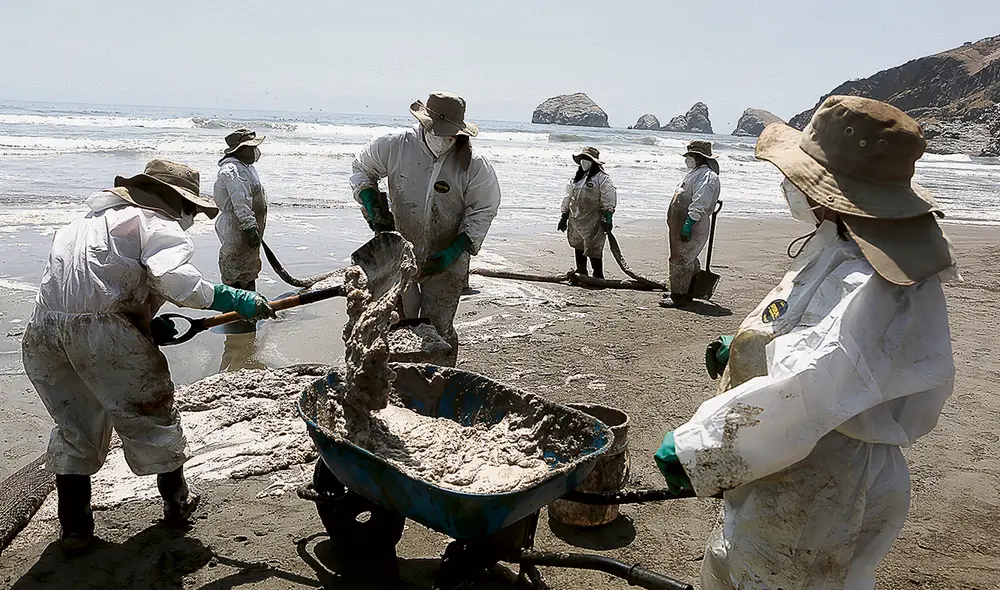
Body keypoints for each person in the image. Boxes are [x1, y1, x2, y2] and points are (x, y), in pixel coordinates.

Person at [653, 97, 959, 588]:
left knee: (781, 577)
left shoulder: (873, 277)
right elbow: (815, 334)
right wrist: (746, 347)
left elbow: (811, 389)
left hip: (821, 476)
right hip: (800, 459)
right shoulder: (843, 241)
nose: (792, 185)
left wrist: (701, 447)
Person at [21, 160, 275, 552]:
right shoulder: (156, 222)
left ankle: (74, 530)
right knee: (153, 415)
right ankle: (177, 503)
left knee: (75, 426)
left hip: (44, 334)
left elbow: (87, 291)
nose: (190, 218)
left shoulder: (81, 223)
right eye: (190, 209)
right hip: (106, 336)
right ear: (176, 203)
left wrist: (142, 324)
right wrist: (232, 297)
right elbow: (173, 279)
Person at [350, 92, 501, 366]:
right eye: (439, 131)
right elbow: (362, 168)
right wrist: (370, 200)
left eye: (451, 134)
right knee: (399, 323)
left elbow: (483, 209)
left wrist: (455, 250)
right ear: (424, 124)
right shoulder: (394, 146)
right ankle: (400, 379)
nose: (445, 138)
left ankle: (440, 378)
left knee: (439, 325)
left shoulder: (474, 165)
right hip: (398, 253)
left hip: (447, 257)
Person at [660, 140, 721, 308]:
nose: (688, 158)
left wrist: (689, 223)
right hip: (681, 222)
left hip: (693, 223)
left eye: (692, 156)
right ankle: (687, 290)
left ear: (701, 157)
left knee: (681, 258)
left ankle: (679, 297)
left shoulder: (707, 176)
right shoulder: (694, 173)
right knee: (688, 258)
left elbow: (701, 202)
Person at [214, 129, 268, 292]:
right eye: (251, 148)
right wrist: (249, 227)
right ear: (240, 150)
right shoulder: (232, 170)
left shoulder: (246, 167)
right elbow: (240, 201)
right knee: (236, 268)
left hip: (247, 226)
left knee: (248, 268)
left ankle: (249, 308)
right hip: (237, 228)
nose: (255, 152)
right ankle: (236, 311)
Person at [558, 147, 617, 278]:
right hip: (576, 218)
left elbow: (608, 199)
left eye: (587, 159)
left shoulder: (602, 179)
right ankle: (581, 271)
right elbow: (568, 197)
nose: (584, 162)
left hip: (594, 219)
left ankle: (598, 275)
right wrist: (564, 215)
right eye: (582, 159)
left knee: (593, 248)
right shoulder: (576, 179)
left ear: (594, 162)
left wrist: (608, 217)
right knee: (578, 245)